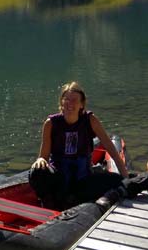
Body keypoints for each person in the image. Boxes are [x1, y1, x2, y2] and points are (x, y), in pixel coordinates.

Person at [29, 81, 129, 210]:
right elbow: (43, 156)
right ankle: (49, 203)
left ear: (81, 104)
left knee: (117, 181)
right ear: (61, 102)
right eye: (67, 99)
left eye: (74, 100)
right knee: (36, 172)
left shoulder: (90, 120)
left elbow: (112, 151)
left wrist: (126, 178)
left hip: (83, 179)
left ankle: (75, 199)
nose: (70, 104)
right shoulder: (51, 123)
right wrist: (41, 159)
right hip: (60, 178)